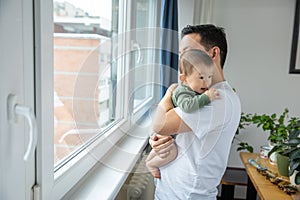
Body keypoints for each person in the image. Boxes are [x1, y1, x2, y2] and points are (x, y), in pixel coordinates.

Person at [149, 24, 241, 199]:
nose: (182, 60)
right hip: (169, 192)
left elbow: (161, 123)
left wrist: (170, 92)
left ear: (213, 54)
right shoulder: (195, 92)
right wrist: (157, 140)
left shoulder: (217, 99)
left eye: (188, 52)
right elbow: (160, 128)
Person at [146, 49, 220, 179]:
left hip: (166, 131)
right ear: (184, 78)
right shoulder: (183, 92)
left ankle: (149, 161)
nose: (207, 82)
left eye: (210, 77)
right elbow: (188, 106)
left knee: (161, 150)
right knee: (172, 152)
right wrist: (206, 98)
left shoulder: (192, 89)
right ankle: (152, 164)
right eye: (201, 77)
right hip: (166, 130)